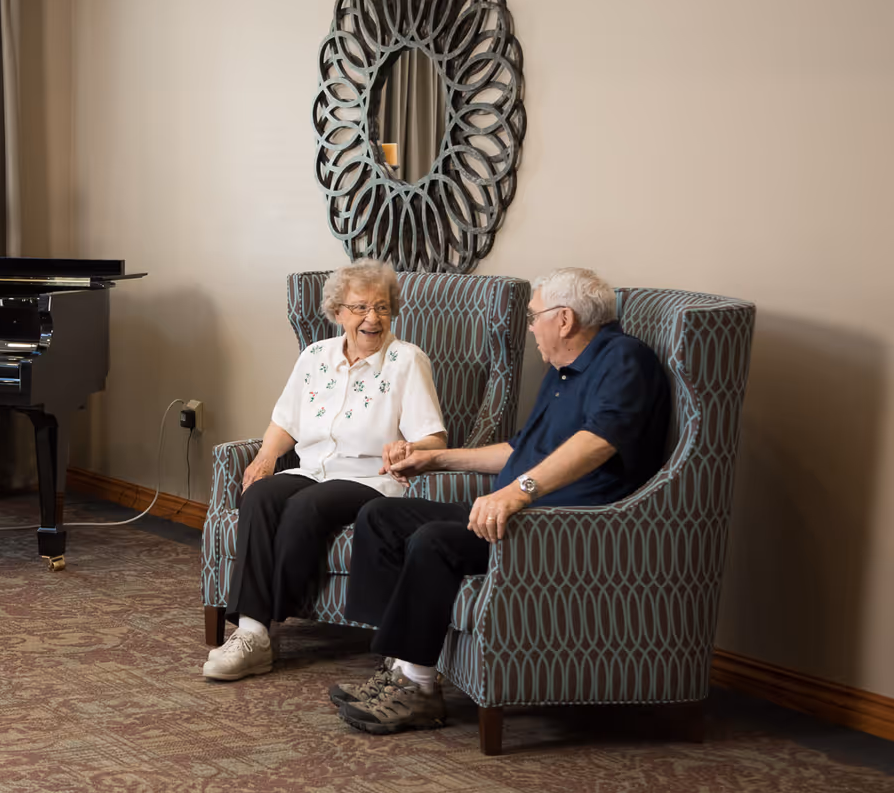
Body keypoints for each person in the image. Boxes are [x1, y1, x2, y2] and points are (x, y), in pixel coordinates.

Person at [329, 267, 672, 734]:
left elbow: (598, 442)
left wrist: (518, 492)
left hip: (564, 524)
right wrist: (433, 460)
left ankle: (419, 689)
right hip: (523, 511)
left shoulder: (625, 361)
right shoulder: (563, 373)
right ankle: (397, 665)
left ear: (564, 319)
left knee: (435, 541)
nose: (531, 328)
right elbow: (518, 452)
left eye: (535, 317)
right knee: (383, 515)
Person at [204, 259, 448, 681]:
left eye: (383, 308)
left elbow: (435, 440)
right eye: (360, 308)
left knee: (307, 507)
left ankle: (261, 627)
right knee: (260, 496)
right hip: (312, 468)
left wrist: (408, 446)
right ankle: (252, 634)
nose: (373, 318)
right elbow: (286, 422)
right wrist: (264, 459)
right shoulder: (315, 356)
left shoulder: (407, 361)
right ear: (338, 313)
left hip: (370, 478)